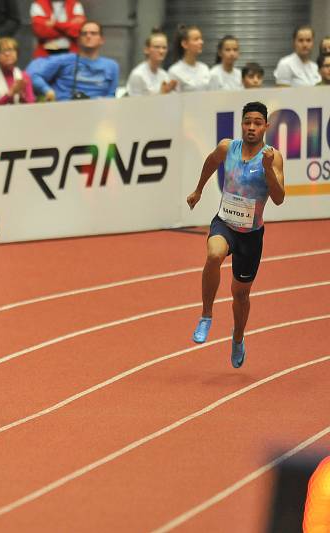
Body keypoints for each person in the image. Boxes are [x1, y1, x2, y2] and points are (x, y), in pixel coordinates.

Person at [186, 102, 285, 368]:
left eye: (257, 123)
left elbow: (278, 199)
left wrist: (267, 169)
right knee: (214, 254)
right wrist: (198, 190)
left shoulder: (272, 157)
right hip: (225, 223)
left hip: (251, 235)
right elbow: (210, 162)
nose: (251, 127)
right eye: (247, 122)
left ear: (266, 126)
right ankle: (206, 315)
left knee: (240, 295)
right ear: (241, 124)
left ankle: (238, 337)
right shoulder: (227, 148)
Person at [27, 19, 118, 101]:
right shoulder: (64, 60)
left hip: (98, 112)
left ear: (101, 40)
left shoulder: (112, 66)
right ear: (78, 39)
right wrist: (47, 90)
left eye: (93, 33)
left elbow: (111, 95)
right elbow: (33, 76)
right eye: (84, 33)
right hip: (65, 110)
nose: (88, 36)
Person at [0, 37, 35, 105]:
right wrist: (11, 93)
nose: (7, 54)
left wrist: (21, 95)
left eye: (11, 50)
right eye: (2, 51)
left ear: (17, 54)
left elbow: (31, 104)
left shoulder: (24, 76)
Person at [126, 27, 176, 96]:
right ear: (146, 50)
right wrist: (162, 94)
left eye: (164, 48)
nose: (161, 51)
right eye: (157, 47)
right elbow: (135, 104)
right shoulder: (138, 75)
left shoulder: (164, 75)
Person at [169, 24, 210, 92]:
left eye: (201, 39)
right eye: (196, 39)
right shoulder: (174, 71)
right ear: (185, 44)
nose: (201, 42)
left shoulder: (204, 68)